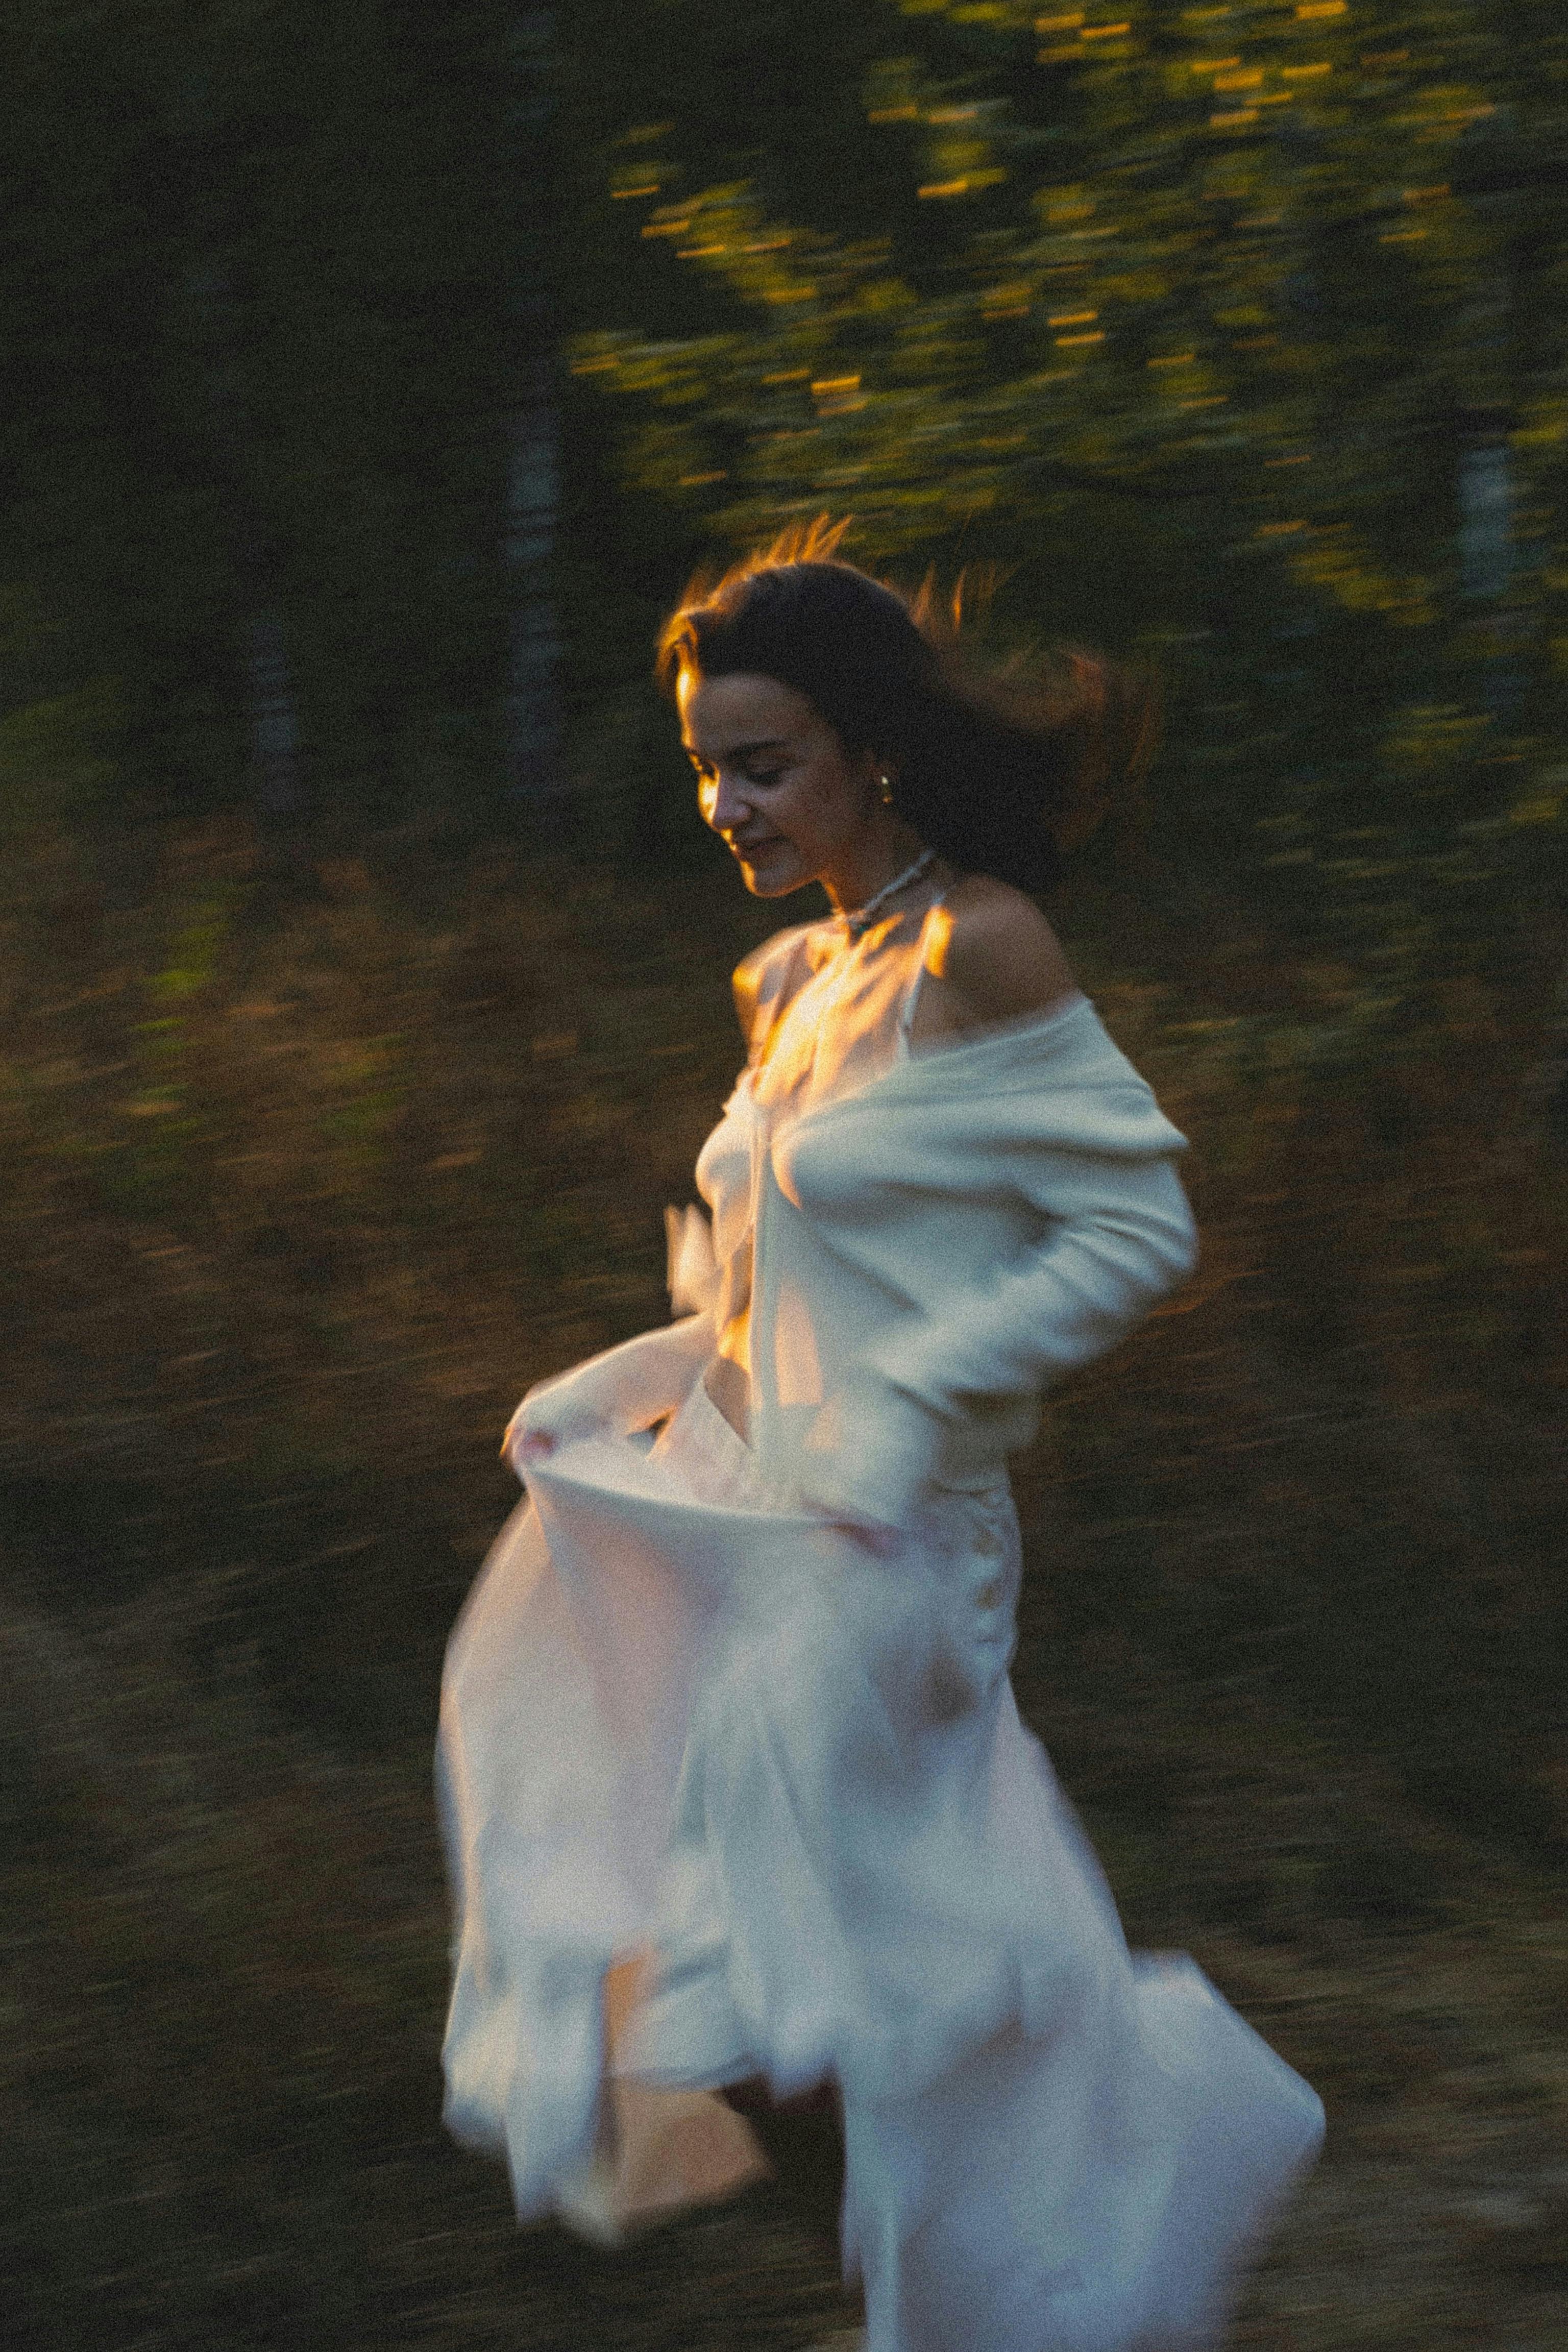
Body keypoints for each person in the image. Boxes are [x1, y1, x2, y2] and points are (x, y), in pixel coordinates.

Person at [437, 523, 1325, 2352]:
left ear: (865, 748)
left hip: (888, 1546)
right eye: (705, 769)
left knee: (826, 1973)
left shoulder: (978, 951)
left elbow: (1139, 1230)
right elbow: (777, 1291)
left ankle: (1127, 2148)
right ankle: (1026, 2243)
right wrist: (612, 1391)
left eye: (761, 764)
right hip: (752, 1505)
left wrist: (924, 1399)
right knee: (815, 1966)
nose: (728, 806)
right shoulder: (791, 985)